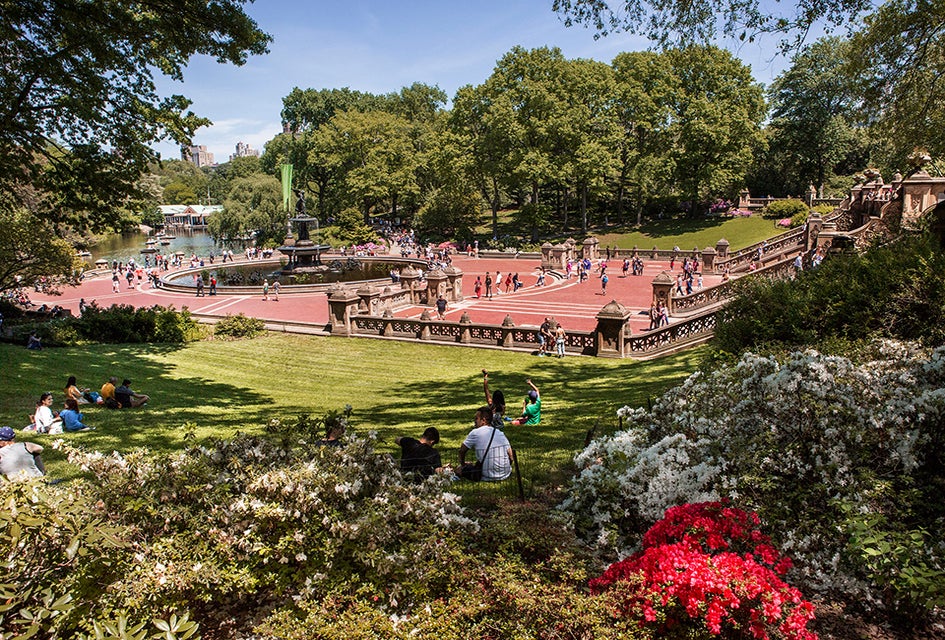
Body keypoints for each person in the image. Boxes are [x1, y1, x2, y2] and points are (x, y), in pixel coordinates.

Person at [456, 406, 513, 482]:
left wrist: (463, 464)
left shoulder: (475, 433)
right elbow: (511, 456)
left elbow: (462, 451)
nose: (474, 421)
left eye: (476, 418)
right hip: (505, 474)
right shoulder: (500, 433)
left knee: (459, 469)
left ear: (483, 420)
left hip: (486, 476)